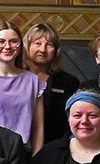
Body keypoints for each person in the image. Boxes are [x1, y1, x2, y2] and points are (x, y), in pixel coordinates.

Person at [0, 20, 44, 152]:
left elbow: (38, 127)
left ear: (20, 46)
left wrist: (37, 157)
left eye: (13, 41)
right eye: (1, 41)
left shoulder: (33, 81)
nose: (7, 46)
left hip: (22, 151)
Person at [25, 22, 80, 151]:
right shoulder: (15, 78)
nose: (42, 50)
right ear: (27, 46)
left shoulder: (69, 82)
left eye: (49, 45)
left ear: (56, 50)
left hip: (57, 148)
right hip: (17, 148)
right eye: (37, 43)